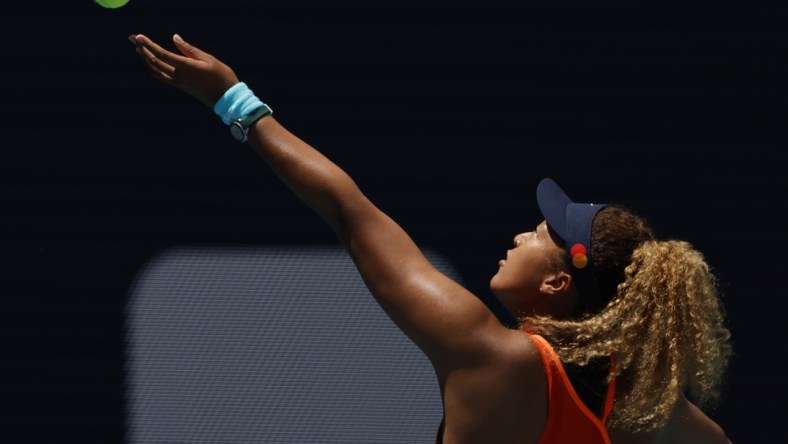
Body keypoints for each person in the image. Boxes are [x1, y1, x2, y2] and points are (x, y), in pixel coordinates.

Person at [129, 33, 733, 444]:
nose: (521, 235)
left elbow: (350, 212)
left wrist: (232, 99)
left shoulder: (489, 353)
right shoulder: (646, 409)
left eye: (539, 235)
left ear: (557, 281)